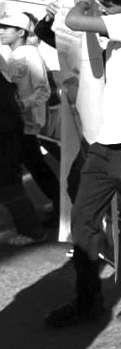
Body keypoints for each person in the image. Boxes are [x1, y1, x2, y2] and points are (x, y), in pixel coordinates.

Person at [45, 0, 121, 327]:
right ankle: (87, 301)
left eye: (109, 4)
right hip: (104, 142)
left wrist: (81, 5)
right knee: (82, 219)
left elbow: (75, 20)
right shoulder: (119, 27)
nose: (105, 9)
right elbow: (65, 36)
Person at [0, 11, 60, 224]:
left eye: (6, 28)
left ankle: (59, 208)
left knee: (35, 166)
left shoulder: (30, 53)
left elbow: (43, 90)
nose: (1, 32)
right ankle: (59, 206)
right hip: (17, 122)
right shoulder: (10, 56)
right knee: (35, 165)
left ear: (20, 32)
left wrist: (21, 105)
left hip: (28, 122)